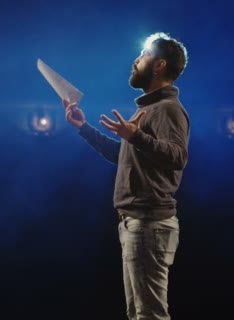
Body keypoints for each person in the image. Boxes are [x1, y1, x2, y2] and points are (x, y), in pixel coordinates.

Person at [62, 32, 189, 320]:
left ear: (159, 65)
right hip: (138, 224)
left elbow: (177, 157)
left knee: (150, 315)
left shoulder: (168, 109)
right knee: (139, 314)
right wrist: (84, 129)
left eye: (143, 54)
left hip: (148, 223)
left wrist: (138, 137)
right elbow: (124, 157)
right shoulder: (151, 108)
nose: (136, 60)